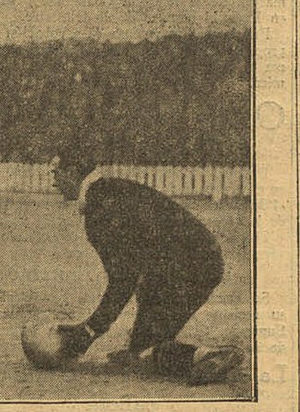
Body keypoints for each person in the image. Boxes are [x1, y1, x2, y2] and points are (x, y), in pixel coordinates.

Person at [48, 149, 244, 385]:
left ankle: (207, 356)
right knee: (139, 351)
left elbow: (123, 280)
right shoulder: (110, 188)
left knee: (144, 353)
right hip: (194, 261)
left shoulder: (99, 208)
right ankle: (171, 351)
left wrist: (89, 331)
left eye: (56, 173)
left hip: (186, 267)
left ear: (72, 172)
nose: (53, 183)